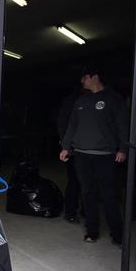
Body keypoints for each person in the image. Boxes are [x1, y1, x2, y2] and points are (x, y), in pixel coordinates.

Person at [59, 67, 128, 246]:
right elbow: (72, 127)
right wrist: (66, 147)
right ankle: (92, 232)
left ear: (95, 77)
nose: (82, 81)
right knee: (87, 193)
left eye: (85, 77)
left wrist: (123, 148)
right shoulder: (81, 101)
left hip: (105, 156)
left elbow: (122, 126)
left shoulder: (113, 99)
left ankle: (118, 235)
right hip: (82, 155)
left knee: (108, 195)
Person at [57, 89, 83, 222]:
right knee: (75, 181)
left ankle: (76, 211)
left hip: (81, 148)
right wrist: (66, 147)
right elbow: (65, 125)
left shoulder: (74, 100)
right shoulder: (75, 101)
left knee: (80, 182)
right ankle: (71, 212)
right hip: (74, 149)